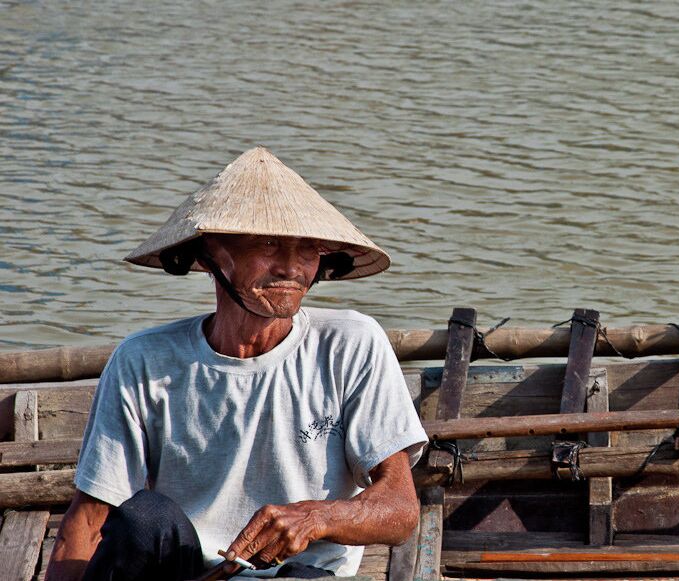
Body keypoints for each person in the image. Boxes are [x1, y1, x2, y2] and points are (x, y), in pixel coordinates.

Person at [45, 147, 428, 580]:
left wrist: (315, 517)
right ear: (211, 254)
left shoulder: (351, 344)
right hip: (188, 571)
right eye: (267, 244)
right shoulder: (144, 360)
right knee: (143, 518)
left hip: (299, 572)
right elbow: (89, 521)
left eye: (309, 249)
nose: (290, 267)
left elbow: (400, 509)